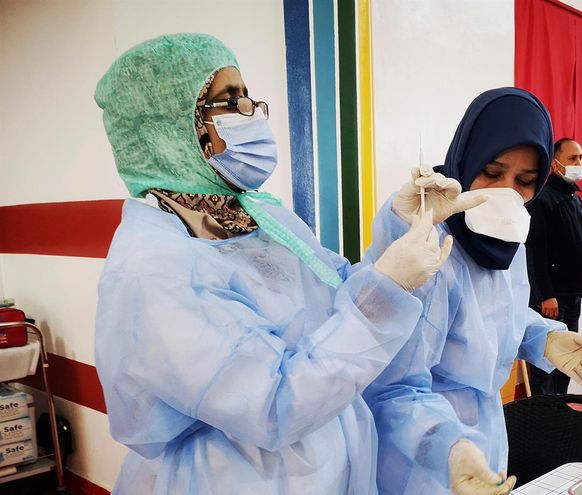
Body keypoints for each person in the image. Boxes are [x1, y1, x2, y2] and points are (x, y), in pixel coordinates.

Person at [92, 33, 477, 494]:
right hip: (233, 479)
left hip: (330, 463)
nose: (250, 111)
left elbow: (340, 293)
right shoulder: (152, 269)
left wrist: (403, 225)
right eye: (227, 101)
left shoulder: (262, 216)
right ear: (173, 128)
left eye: (246, 96)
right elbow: (273, 404)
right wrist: (390, 287)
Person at [361, 88, 582, 495]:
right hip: (417, 451)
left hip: (485, 437)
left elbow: (495, 309)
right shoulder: (421, 233)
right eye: (492, 172)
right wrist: (448, 447)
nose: (506, 192)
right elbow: (391, 384)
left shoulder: (506, 234)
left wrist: (543, 336)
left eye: (526, 181)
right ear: (468, 155)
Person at [524, 137, 582, 394]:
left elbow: (580, 242)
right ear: (556, 165)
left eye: (581, 158)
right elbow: (535, 252)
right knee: (547, 362)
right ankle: (543, 414)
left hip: (574, 293)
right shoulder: (543, 200)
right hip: (552, 300)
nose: (579, 163)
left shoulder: (575, 198)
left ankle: (559, 409)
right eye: (572, 158)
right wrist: (546, 295)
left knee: (570, 357)